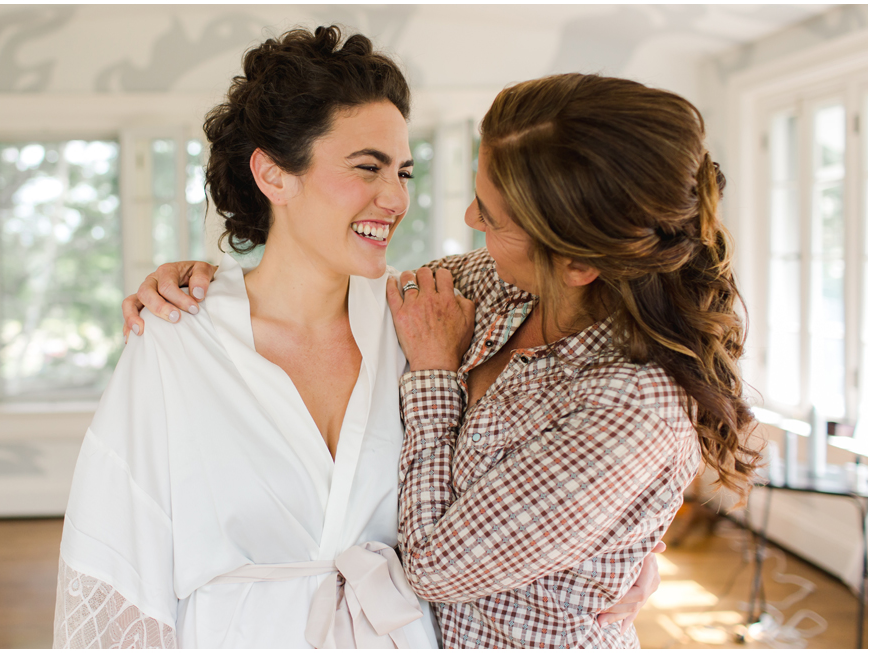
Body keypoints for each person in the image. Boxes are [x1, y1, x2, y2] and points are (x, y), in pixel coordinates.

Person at [127, 72, 760, 649]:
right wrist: (218, 283)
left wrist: (432, 375)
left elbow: (431, 564)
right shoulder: (506, 288)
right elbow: (375, 287)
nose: (465, 219)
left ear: (578, 262)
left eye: (491, 219)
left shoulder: (631, 408)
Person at [54, 26, 439, 648]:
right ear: (274, 175)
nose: (395, 198)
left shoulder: (418, 319)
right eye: (367, 167)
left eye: (404, 172)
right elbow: (120, 553)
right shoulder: (178, 337)